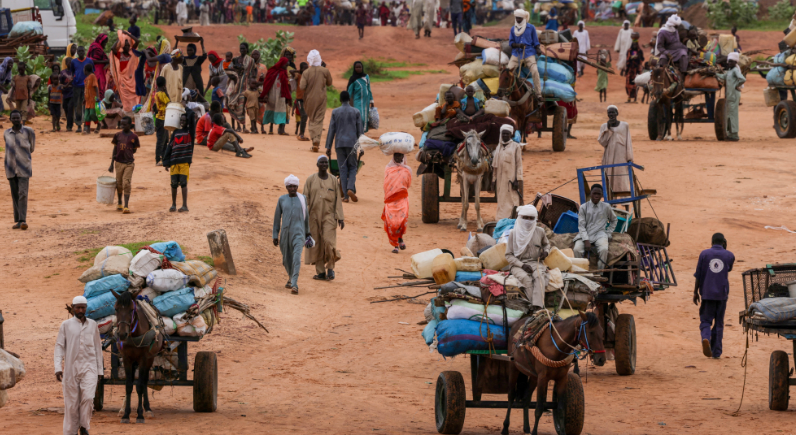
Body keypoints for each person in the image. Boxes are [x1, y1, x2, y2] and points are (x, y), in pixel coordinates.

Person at [54, 295, 103, 435]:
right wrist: (58, 368)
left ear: (86, 308)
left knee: (88, 398)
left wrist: (100, 371)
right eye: (78, 307)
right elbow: (59, 346)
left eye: (83, 307)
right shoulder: (66, 325)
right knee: (72, 404)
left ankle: (84, 426)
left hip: (90, 367)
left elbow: (98, 348)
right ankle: (71, 432)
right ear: (73, 308)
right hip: (71, 369)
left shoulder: (93, 325)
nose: (81, 310)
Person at [693, 233, 734, 359]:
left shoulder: (704, 254)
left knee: (705, 320)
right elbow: (728, 269)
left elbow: (698, 275)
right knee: (719, 323)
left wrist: (695, 292)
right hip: (722, 293)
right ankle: (716, 352)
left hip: (707, 293)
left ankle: (706, 337)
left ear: (712, 242)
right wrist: (725, 249)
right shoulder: (729, 255)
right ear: (724, 242)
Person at [304, 155, 344, 281]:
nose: (324, 165)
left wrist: (340, 217)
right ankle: (320, 272)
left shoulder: (333, 180)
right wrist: (303, 216)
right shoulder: (310, 180)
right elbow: (305, 199)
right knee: (317, 244)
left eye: (326, 163)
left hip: (329, 215)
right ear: (317, 165)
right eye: (321, 163)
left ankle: (331, 268)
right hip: (313, 216)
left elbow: (338, 199)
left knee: (328, 242)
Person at [505, 205, 550, 310]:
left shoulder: (540, 231)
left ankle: (538, 307)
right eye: (525, 218)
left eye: (531, 218)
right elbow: (508, 255)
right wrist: (522, 265)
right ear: (520, 218)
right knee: (526, 279)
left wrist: (546, 253)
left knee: (539, 277)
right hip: (518, 264)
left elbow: (546, 245)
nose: (528, 220)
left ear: (535, 219)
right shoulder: (513, 233)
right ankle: (536, 308)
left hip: (536, 263)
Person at [274, 174, 312, 294]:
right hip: (285, 233)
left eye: (294, 186)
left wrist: (308, 232)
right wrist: (275, 235)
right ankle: (290, 278)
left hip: (299, 233)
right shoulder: (282, 199)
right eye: (290, 186)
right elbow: (276, 219)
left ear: (297, 186)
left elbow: (306, 217)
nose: (292, 188)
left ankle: (294, 284)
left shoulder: (302, 199)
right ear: (286, 187)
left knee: (296, 258)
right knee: (286, 259)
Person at [325, 91, 363, 202]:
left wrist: (328, 146)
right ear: (349, 100)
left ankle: (345, 197)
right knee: (352, 167)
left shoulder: (335, 112)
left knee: (342, 168)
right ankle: (350, 188)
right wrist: (362, 147)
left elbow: (331, 130)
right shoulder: (356, 112)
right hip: (352, 144)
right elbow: (360, 131)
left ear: (340, 100)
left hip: (339, 144)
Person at [574, 184, 617, 270]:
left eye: (599, 194)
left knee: (604, 249)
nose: (596, 196)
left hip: (600, 234)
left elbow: (614, 220)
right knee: (577, 250)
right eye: (594, 193)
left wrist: (608, 233)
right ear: (591, 194)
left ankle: (599, 273)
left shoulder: (606, 207)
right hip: (585, 233)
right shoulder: (583, 207)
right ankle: (580, 273)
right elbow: (581, 226)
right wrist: (586, 240)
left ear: (602, 195)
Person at [4, 110, 34, 230]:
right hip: (10, 167)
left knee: (23, 193)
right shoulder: (6, 133)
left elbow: (32, 147)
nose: (16, 120)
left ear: (21, 118)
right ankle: (18, 220)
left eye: (18, 118)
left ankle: (23, 220)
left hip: (24, 167)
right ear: (11, 119)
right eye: (14, 118)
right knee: (15, 194)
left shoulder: (28, 131)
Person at [300, 50, 333, 152]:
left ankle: (314, 140)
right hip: (321, 98)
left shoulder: (306, 72)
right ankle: (316, 140)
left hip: (309, 99)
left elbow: (302, 86)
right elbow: (329, 83)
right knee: (318, 119)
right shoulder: (325, 71)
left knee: (312, 119)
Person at [598, 105, 633, 197]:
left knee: (622, 179)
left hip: (621, 157)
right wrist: (608, 129)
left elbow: (628, 142)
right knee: (609, 179)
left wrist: (629, 158)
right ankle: (612, 204)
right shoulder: (604, 126)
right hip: (609, 156)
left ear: (617, 113)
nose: (611, 114)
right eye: (609, 112)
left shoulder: (625, 125)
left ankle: (626, 204)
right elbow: (603, 142)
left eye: (613, 112)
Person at [163, 112, 194, 212]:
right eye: (181, 120)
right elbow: (169, 147)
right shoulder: (175, 133)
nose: (182, 122)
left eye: (185, 121)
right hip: (174, 161)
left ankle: (185, 205)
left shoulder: (190, 132)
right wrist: (166, 161)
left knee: (183, 183)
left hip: (184, 162)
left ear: (188, 122)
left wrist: (186, 108)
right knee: (173, 184)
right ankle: (173, 204)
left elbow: (192, 116)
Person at [508, 9, 542, 100]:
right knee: (508, 71)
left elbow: (536, 42)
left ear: (523, 18)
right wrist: (518, 45)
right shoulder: (513, 29)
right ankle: (507, 93)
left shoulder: (531, 28)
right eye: (516, 18)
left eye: (519, 18)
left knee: (535, 71)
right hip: (516, 54)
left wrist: (538, 49)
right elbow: (511, 43)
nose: (518, 20)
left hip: (529, 53)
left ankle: (538, 94)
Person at [109, 116, 140, 213]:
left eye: (125, 124)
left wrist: (128, 154)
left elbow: (134, 149)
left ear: (130, 125)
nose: (122, 126)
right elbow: (114, 149)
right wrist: (111, 164)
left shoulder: (134, 137)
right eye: (121, 124)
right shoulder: (117, 135)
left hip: (129, 163)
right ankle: (119, 202)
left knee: (126, 183)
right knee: (119, 184)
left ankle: (126, 206)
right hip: (118, 163)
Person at [492, 124, 522, 221]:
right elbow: (495, 166)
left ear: (511, 135)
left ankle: (511, 219)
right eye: (503, 134)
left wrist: (517, 180)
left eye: (507, 134)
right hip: (500, 181)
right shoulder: (498, 147)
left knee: (512, 200)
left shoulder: (516, 147)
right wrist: (493, 180)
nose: (505, 136)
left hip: (511, 180)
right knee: (501, 200)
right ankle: (500, 220)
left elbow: (519, 165)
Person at [382, 153, 411, 253]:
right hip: (391, 200)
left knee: (401, 222)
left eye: (400, 156)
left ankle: (400, 239)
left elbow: (408, 184)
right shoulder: (388, 169)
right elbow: (386, 184)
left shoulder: (407, 170)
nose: (398, 158)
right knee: (391, 223)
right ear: (393, 157)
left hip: (402, 199)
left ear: (403, 157)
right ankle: (396, 245)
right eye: (396, 156)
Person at [716, 52, 745, 142]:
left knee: (733, 115)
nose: (729, 63)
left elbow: (743, 79)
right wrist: (715, 74)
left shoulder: (735, 70)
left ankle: (735, 135)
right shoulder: (730, 71)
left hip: (734, 95)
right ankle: (730, 134)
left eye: (731, 62)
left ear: (735, 62)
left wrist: (736, 85)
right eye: (728, 61)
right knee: (729, 115)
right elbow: (723, 76)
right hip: (730, 96)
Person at [109, 30, 141, 112]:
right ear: (122, 46)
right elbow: (113, 48)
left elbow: (137, 41)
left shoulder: (132, 53)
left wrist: (127, 35)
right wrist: (120, 39)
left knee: (134, 97)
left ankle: (134, 113)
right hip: (123, 80)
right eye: (125, 45)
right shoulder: (120, 55)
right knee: (125, 98)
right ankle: (127, 113)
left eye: (128, 45)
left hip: (132, 80)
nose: (127, 46)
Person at [227, 42, 256, 131]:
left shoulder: (251, 60)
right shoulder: (235, 59)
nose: (242, 50)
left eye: (244, 48)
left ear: (247, 49)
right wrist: (234, 77)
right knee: (232, 104)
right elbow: (229, 70)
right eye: (241, 48)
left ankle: (243, 126)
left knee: (242, 105)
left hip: (245, 85)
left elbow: (252, 73)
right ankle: (235, 126)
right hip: (235, 85)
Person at [261, 57, 292, 135]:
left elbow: (286, 85)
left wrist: (287, 96)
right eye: (286, 63)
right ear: (282, 63)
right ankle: (270, 128)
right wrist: (266, 94)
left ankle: (281, 130)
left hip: (281, 95)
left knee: (282, 110)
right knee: (271, 108)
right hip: (272, 94)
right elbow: (266, 83)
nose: (287, 64)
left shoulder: (284, 73)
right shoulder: (272, 71)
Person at [69, 46, 94, 132]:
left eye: (82, 51)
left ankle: (87, 125)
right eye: (79, 51)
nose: (80, 52)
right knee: (78, 106)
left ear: (84, 51)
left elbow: (92, 73)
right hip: (76, 86)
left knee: (87, 106)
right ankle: (79, 125)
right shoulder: (73, 62)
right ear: (77, 52)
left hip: (87, 86)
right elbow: (72, 72)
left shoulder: (89, 61)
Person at [655, 15, 687, 80]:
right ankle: (660, 78)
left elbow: (677, 42)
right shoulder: (662, 32)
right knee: (663, 59)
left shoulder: (675, 30)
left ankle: (682, 76)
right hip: (667, 51)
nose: (677, 27)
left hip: (678, 50)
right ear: (671, 25)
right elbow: (660, 46)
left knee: (683, 55)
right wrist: (667, 53)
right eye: (676, 26)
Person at [347, 60, 374, 133]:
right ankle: (358, 132)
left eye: (360, 67)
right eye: (356, 67)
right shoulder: (353, 79)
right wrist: (347, 101)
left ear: (362, 68)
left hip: (366, 100)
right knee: (359, 117)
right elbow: (349, 90)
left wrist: (371, 101)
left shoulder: (366, 77)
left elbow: (369, 88)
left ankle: (363, 133)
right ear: (354, 68)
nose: (358, 68)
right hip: (357, 100)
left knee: (365, 118)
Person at [154, 76, 171, 164]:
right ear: (164, 84)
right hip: (162, 119)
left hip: (160, 118)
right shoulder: (162, 94)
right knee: (161, 140)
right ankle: (158, 159)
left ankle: (163, 158)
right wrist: (166, 91)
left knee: (164, 140)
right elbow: (169, 102)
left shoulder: (156, 93)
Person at [82, 63, 101, 135]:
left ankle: (98, 124)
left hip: (93, 99)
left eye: (84, 70)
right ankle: (87, 129)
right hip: (87, 100)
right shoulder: (86, 79)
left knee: (92, 114)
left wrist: (98, 97)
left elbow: (96, 86)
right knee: (86, 116)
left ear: (86, 70)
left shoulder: (93, 76)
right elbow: (86, 90)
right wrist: (84, 99)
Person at [624, 38, 644, 103]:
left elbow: (642, 59)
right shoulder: (629, 51)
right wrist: (626, 70)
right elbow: (627, 60)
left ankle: (635, 98)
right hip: (630, 70)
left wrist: (638, 57)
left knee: (636, 84)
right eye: (633, 44)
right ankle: (629, 98)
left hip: (637, 70)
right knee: (629, 84)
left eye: (636, 44)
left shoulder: (639, 51)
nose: (634, 45)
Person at [293, 62, 309, 141]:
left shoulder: (309, 77)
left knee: (305, 116)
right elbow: (291, 72)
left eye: (307, 68)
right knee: (304, 115)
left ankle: (301, 132)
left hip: (307, 100)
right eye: (304, 68)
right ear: (301, 69)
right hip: (299, 99)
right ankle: (301, 133)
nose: (306, 70)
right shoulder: (299, 76)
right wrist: (299, 71)